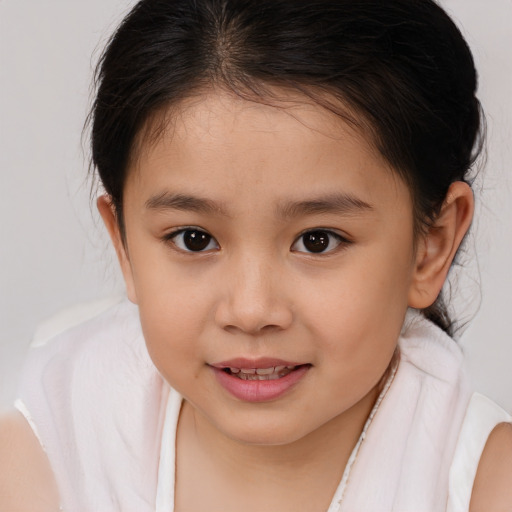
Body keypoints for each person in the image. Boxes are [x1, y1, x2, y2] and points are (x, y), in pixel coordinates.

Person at [1, 0, 511, 510]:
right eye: (193, 239)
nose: (250, 311)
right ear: (125, 246)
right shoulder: (50, 452)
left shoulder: (482, 485)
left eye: (318, 240)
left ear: (431, 246)